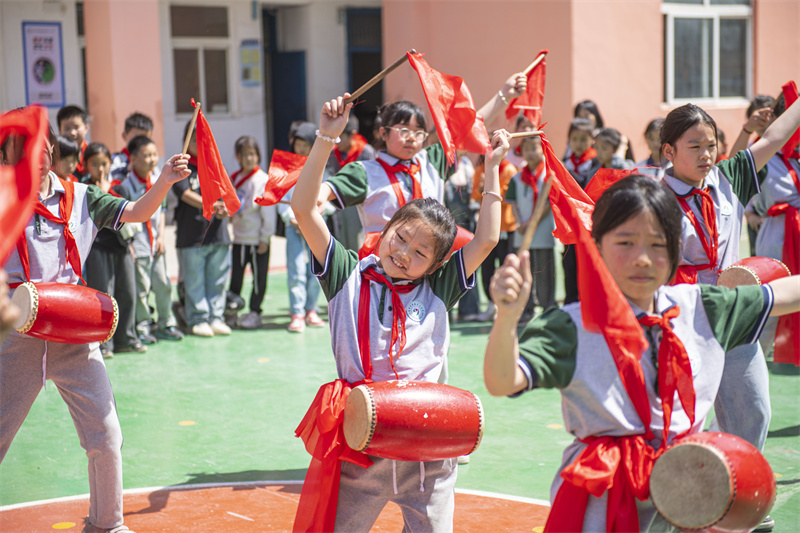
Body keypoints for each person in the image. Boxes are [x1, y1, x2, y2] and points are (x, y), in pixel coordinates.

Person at [483, 175, 800, 532]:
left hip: (687, 494)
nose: (643, 259)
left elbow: (781, 295)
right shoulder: (571, 326)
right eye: (626, 242)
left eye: (657, 244)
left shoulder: (702, 308)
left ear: (676, 248)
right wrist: (507, 317)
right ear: (597, 246)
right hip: (602, 500)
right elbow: (502, 381)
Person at [291, 93, 508, 533]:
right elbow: (303, 209)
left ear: (437, 263)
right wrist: (326, 139)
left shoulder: (439, 287)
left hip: (427, 447)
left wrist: (493, 169)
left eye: (421, 252)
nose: (405, 253)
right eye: (401, 237)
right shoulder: (346, 274)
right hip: (362, 443)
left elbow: (487, 239)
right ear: (386, 227)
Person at [1, 116, 190, 533]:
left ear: (52, 150)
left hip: (73, 333)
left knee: (105, 435)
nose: (37, 155)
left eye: (43, 146)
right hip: (16, 336)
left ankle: (107, 524)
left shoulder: (82, 196)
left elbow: (137, 212)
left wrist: (164, 181)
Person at [660, 99, 800, 533]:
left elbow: (774, 136)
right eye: (695, 146)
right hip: (682, 324)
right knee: (683, 422)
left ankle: (733, 498)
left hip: (736, 317)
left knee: (754, 410)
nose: (706, 154)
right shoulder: (651, 197)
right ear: (669, 151)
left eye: (711, 144)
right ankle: (681, 506)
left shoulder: (728, 178)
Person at [744, 96, 797, 356]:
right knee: (771, 302)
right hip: (777, 234)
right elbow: (737, 179)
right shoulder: (762, 154)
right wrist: (750, 212)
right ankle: (750, 360)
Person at [119, 135, 183, 343]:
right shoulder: (126, 186)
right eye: (146, 155)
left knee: (163, 283)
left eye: (155, 154)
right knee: (142, 287)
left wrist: (162, 236)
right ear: (133, 158)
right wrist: (130, 244)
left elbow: (161, 211)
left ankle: (166, 323)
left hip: (156, 242)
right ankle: (143, 326)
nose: (152, 159)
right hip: (139, 243)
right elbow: (124, 218)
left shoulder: (158, 180)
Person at [81, 142, 142, 357]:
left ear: (110, 163)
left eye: (104, 163)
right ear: (85, 165)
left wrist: (131, 245)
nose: (100, 168)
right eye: (94, 164)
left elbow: (128, 216)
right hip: (97, 247)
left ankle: (127, 338)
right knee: (103, 296)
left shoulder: (119, 187)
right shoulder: (85, 189)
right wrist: (102, 192)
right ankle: (104, 343)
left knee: (127, 293)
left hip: (121, 246)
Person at [171, 123, 232, 337]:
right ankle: (198, 318)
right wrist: (212, 205)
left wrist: (224, 209)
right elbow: (184, 193)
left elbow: (226, 194)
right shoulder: (181, 166)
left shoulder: (214, 165)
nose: (199, 143)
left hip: (218, 234)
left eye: (203, 138)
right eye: (195, 138)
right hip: (192, 235)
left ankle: (216, 317)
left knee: (218, 279)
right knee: (194, 280)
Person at [278, 122, 329, 333]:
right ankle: (297, 313)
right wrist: (291, 218)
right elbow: (280, 197)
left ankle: (312, 309)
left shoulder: (320, 167)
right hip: (294, 228)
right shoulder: (285, 168)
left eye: (305, 144)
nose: (300, 148)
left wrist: (317, 215)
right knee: (296, 269)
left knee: (316, 271)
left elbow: (329, 198)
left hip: (315, 227)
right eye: (298, 144)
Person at [505, 134, 555, 324]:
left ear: (542, 150)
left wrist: (533, 222)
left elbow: (548, 203)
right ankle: (526, 309)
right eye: (527, 149)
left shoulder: (548, 176)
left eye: (535, 148)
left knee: (544, 271)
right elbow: (513, 203)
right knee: (523, 270)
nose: (531, 152)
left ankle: (548, 308)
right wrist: (520, 222)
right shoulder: (517, 177)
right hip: (522, 232)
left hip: (542, 232)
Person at [229, 135, 277, 330]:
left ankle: (255, 311)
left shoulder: (263, 180)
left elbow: (268, 212)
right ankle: (232, 310)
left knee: (259, 278)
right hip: (239, 238)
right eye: (244, 155)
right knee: (236, 277)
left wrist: (265, 237)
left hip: (258, 240)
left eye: (252, 154)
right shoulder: (235, 179)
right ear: (238, 157)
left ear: (258, 155)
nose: (249, 158)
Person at [471, 150, 518, 323]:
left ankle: (505, 304)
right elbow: (475, 195)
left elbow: (507, 197)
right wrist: (482, 190)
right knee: (487, 267)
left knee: (505, 265)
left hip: (506, 225)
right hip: (486, 227)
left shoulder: (509, 170)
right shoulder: (480, 169)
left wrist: (488, 188)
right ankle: (491, 304)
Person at [324, 115, 375, 251]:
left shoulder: (366, 152)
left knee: (356, 238)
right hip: (340, 200)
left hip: (359, 201)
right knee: (341, 237)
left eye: (340, 136)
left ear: (352, 134)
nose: (337, 141)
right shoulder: (333, 153)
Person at [561, 117, 596, 304]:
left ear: (592, 139)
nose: (579, 144)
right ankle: (571, 302)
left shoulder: (595, 163)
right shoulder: (565, 163)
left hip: (591, 224)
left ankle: (589, 300)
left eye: (583, 139)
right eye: (574, 139)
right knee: (569, 263)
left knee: (588, 263)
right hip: (570, 224)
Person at [110, 112, 154, 180]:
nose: (140, 143)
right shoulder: (116, 159)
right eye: (136, 138)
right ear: (124, 136)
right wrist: (127, 169)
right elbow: (111, 176)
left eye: (144, 139)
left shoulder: (152, 162)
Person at [57, 104, 90, 176]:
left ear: (86, 128)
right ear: (59, 131)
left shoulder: (91, 152)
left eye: (76, 127)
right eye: (67, 129)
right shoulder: (55, 154)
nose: (72, 132)